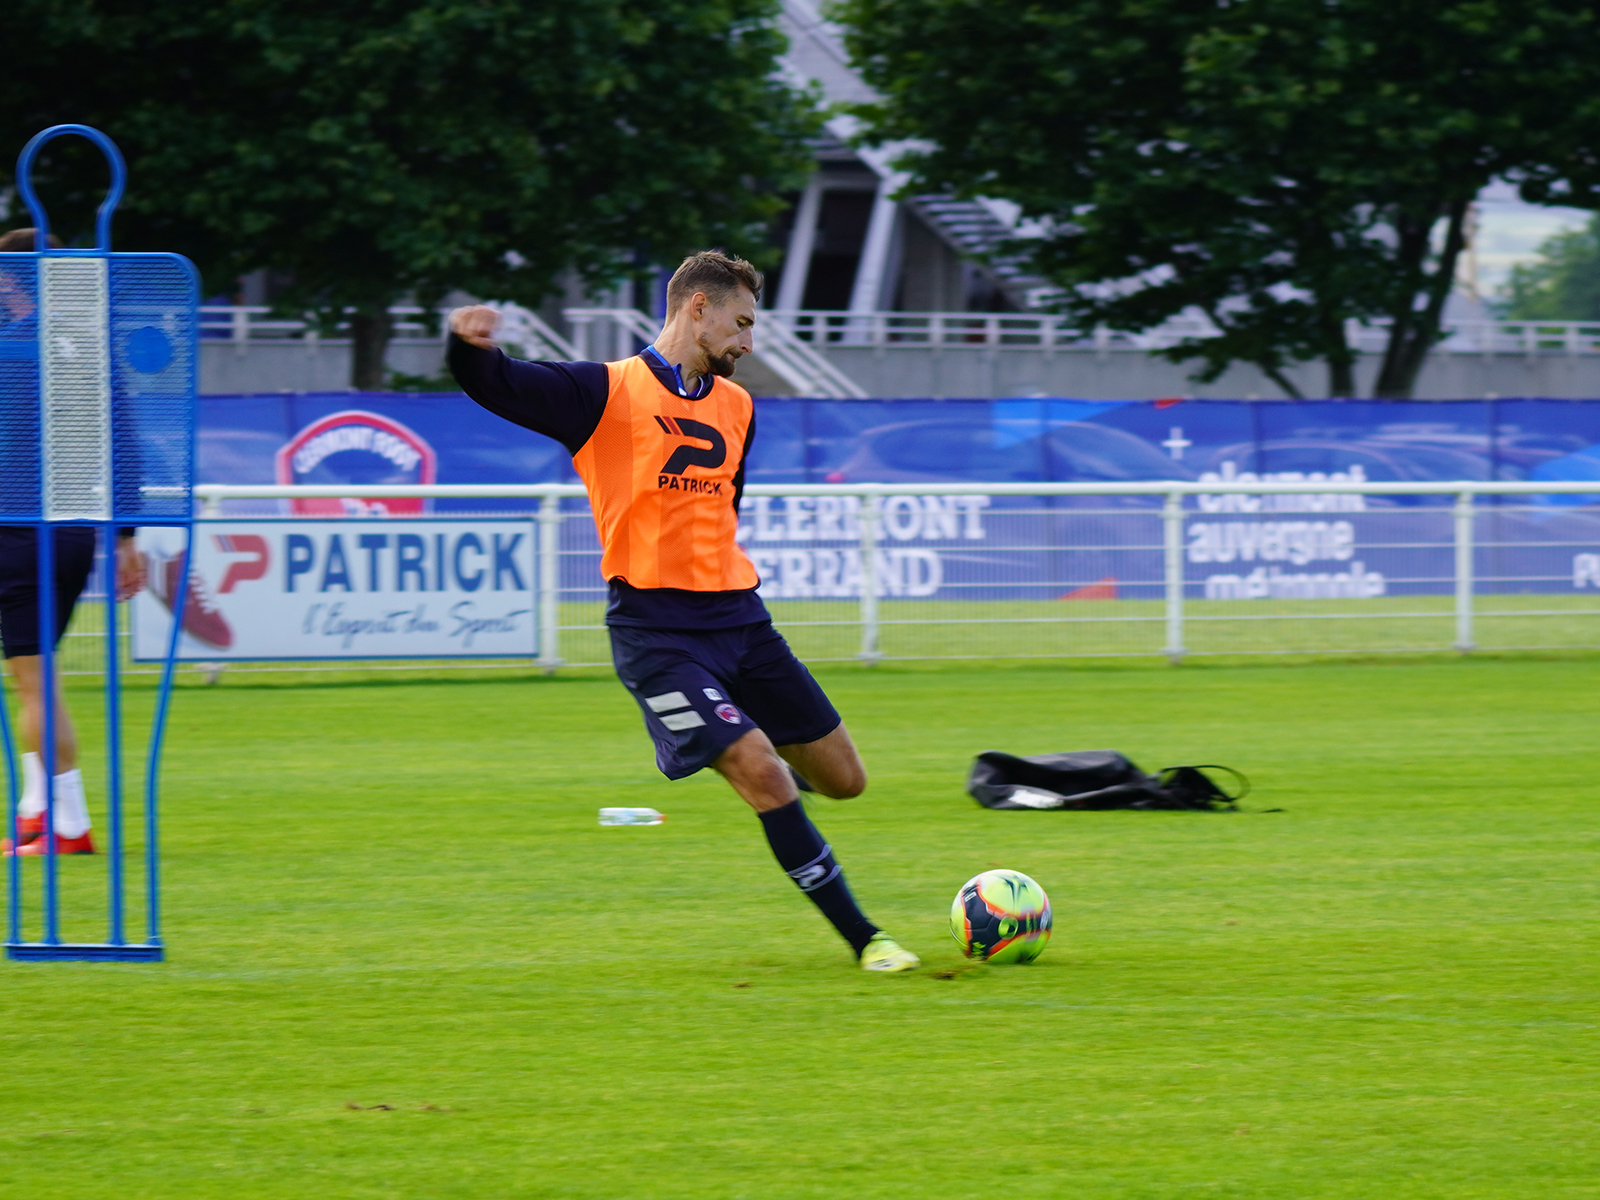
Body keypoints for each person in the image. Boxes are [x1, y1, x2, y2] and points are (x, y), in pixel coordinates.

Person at [448, 250, 919, 972]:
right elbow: (495, 381)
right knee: (760, 768)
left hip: (742, 623)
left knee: (845, 781)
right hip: (656, 634)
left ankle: (740, 753)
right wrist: (467, 345)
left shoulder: (739, 407)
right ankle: (868, 939)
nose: (748, 343)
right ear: (697, 309)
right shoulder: (602, 393)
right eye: (741, 323)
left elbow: (723, 510)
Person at [0, 226, 147, 856]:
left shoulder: (12, 349)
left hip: (18, 527)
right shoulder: (88, 345)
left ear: (12, 281)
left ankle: (66, 825)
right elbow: (125, 445)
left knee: (34, 682)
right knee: (37, 677)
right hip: (74, 529)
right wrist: (125, 539)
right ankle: (41, 815)